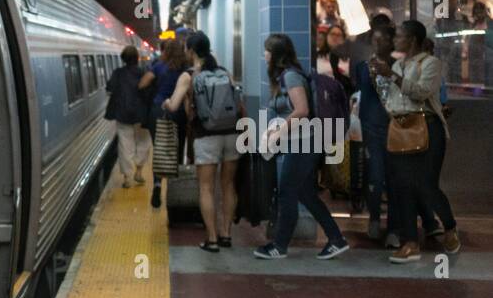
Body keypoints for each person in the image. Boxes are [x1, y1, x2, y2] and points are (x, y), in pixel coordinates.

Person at [253, 33, 351, 260]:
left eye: (267, 50)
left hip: (304, 143)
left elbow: (302, 110)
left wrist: (278, 132)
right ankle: (336, 239)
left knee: (287, 191)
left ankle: (279, 245)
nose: (264, 54)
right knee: (306, 194)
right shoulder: (287, 76)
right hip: (303, 142)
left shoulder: (291, 77)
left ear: (275, 54)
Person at [372, 19, 460, 262]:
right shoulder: (398, 64)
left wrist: (393, 76)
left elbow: (421, 92)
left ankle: (450, 226)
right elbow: (392, 100)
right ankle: (410, 242)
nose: (395, 39)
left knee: (426, 185)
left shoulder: (431, 63)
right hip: (402, 129)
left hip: (428, 128)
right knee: (402, 187)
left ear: (411, 39)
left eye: (399, 35)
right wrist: (382, 81)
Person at [162, 32, 243, 251]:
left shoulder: (189, 76)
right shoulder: (225, 73)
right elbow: (238, 103)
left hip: (205, 136)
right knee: (228, 186)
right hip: (232, 133)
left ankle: (212, 239)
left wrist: (167, 103)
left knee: (206, 188)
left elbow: (175, 105)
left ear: (190, 51)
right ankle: (226, 234)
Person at [353, 22, 396, 242]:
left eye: (383, 40)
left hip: (396, 128)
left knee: (395, 178)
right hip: (371, 126)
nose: (379, 44)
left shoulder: (399, 67)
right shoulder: (362, 67)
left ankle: (394, 228)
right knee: (376, 175)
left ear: (392, 42)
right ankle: (375, 218)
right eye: (375, 40)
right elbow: (360, 93)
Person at [142, 37, 187, 209]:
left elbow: (143, 83)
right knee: (179, 148)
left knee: (160, 149)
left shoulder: (159, 66)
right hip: (179, 112)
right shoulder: (184, 69)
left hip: (158, 110)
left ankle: (157, 185)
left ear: (166, 51)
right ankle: (177, 188)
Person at [105, 45, 152, 187]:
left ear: (123, 59)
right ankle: (138, 171)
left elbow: (109, 89)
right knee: (144, 142)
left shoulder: (117, 73)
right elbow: (150, 92)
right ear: (137, 58)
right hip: (142, 115)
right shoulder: (145, 72)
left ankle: (127, 178)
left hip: (123, 114)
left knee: (125, 146)